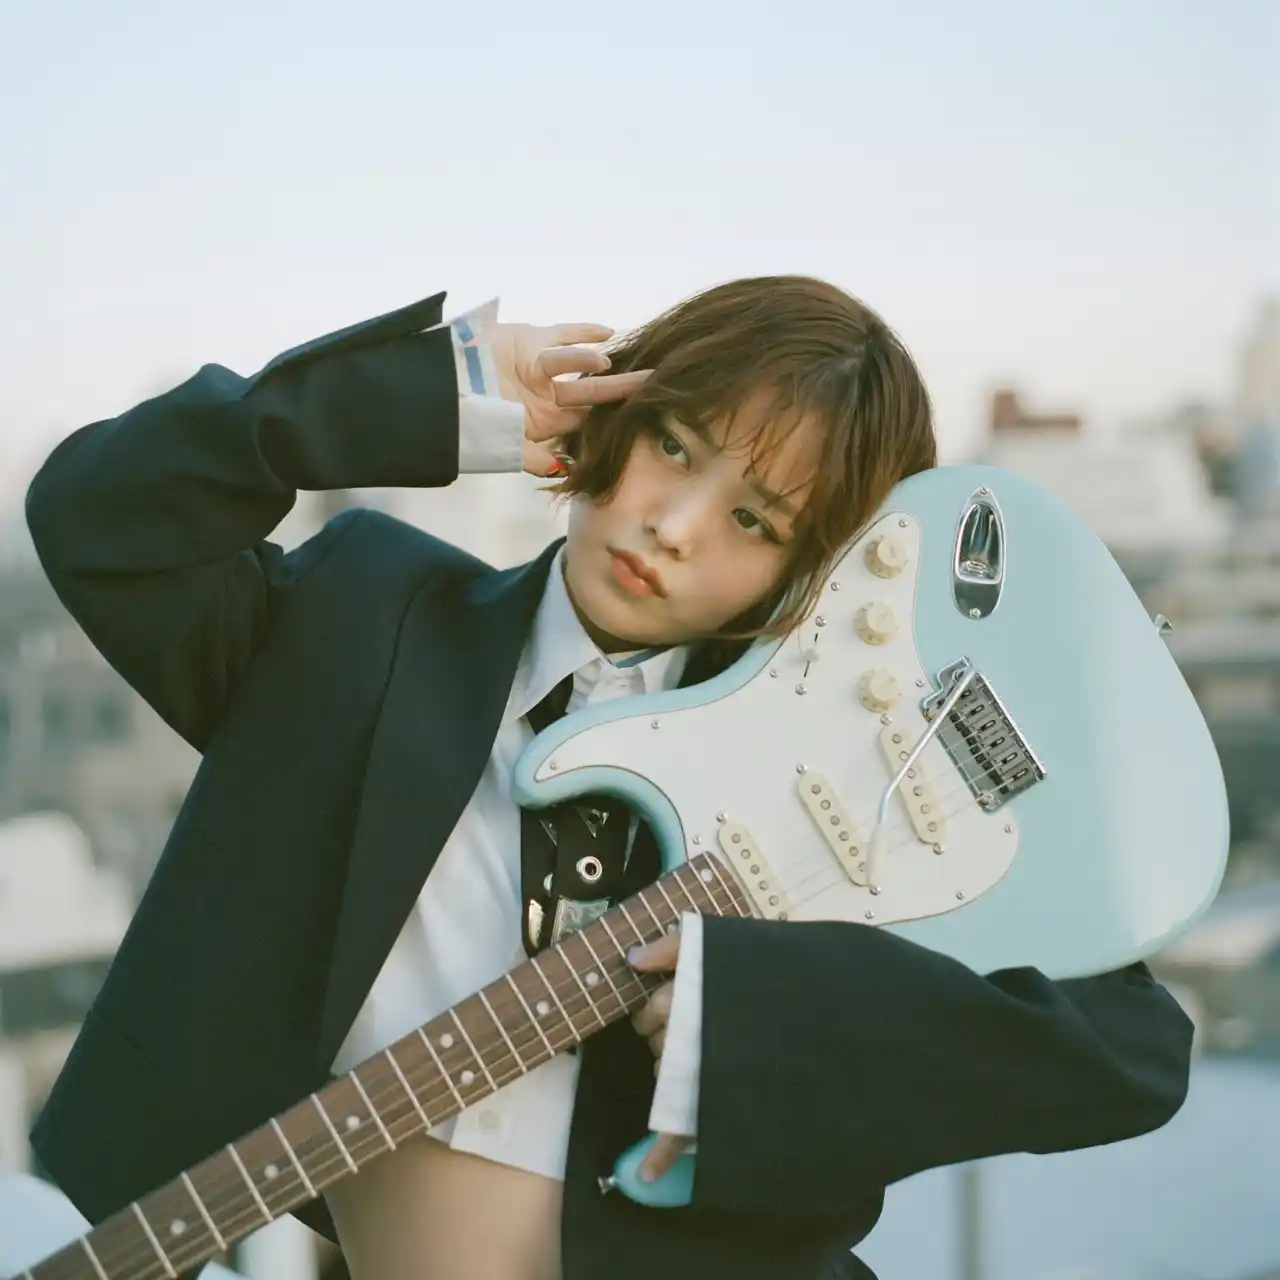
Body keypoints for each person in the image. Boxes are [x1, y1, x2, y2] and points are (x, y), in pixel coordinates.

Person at [25, 276, 1193, 1280]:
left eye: (753, 518)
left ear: (809, 576)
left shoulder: (837, 784)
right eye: (671, 444)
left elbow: (1132, 1046)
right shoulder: (359, 620)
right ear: (613, 411)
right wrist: (437, 388)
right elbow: (98, 516)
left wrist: (772, 1008)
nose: (673, 524)